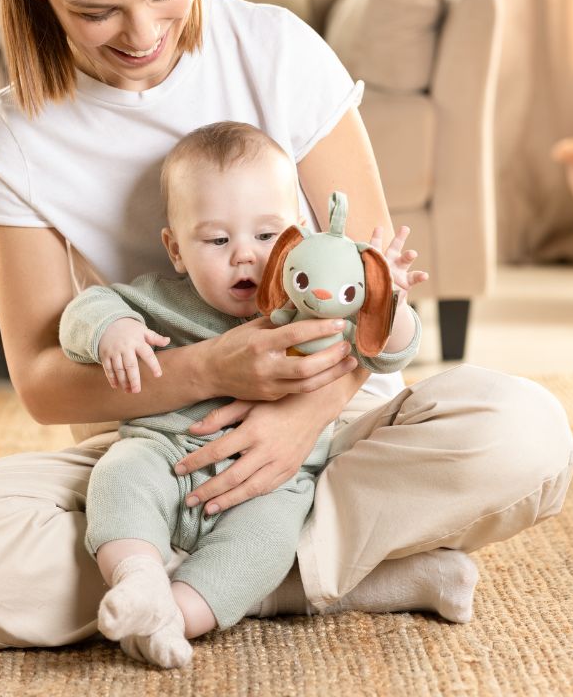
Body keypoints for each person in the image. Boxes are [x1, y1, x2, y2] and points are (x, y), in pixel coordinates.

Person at [0, 0, 573, 652]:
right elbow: (40, 380)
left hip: (337, 432)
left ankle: (203, 584)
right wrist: (209, 368)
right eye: (97, 11)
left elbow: (369, 292)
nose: (143, 34)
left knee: (526, 433)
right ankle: (310, 575)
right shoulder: (21, 131)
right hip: (156, 456)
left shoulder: (277, 51)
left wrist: (296, 422)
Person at [59, 122, 428, 667]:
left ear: (297, 239)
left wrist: (385, 302)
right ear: (176, 249)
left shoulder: (317, 310)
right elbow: (84, 308)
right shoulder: (162, 299)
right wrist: (113, 329)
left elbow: (391, 353)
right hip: (165, 454)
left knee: (267, 543)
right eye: (217, 240)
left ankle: (174, 617)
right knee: (117, 476)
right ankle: (137, 577)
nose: (245, 257)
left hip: (274, 484)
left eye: (267, 236)